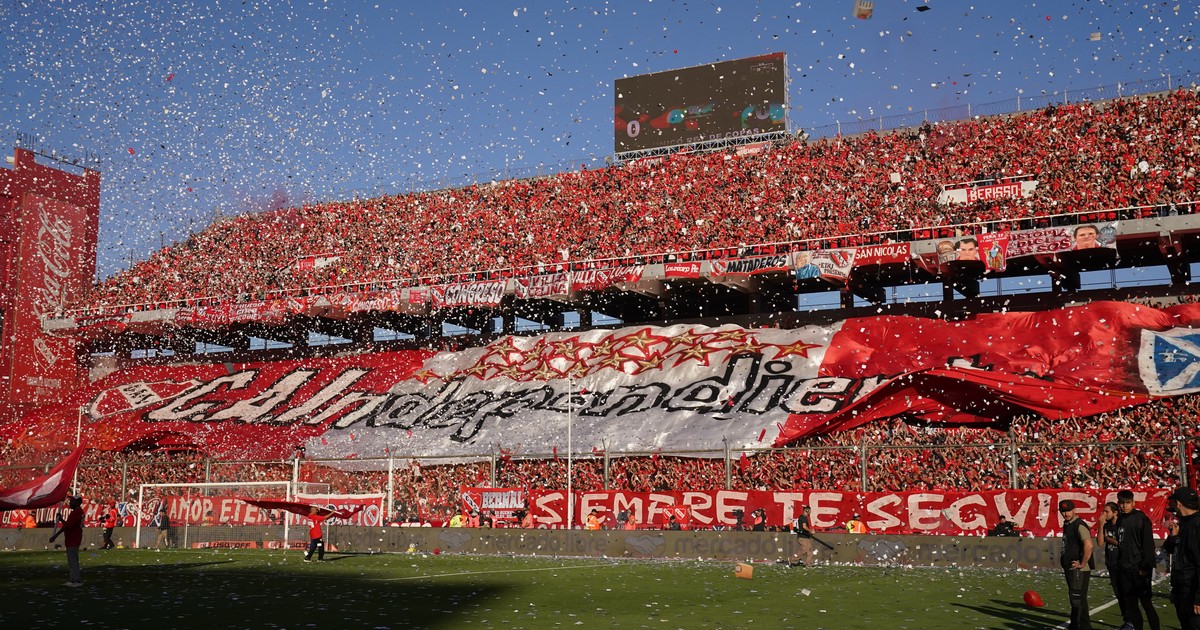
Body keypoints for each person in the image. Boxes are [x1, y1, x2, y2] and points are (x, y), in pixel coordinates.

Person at [1113, 490, 1160, 630]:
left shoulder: (1141, 519)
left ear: (1133, 503)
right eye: (1122, 503)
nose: (1125, 505)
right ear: (1118, 503)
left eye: (1128, 502)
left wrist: (1145, 567)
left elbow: (1149, 546)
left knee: (1146, 604)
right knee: (1131, 605)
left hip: (1139, 569)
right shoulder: (1120, 519)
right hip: (1125, 569)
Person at [1163, 486, 1200, 629]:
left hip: (1192, 590)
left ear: (1178, 503)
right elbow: (1171, 549)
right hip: (1183, 589)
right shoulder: (1184, 523)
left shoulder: (1195, 525)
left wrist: (1198, 597)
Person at [1059, 499, 1095, 630]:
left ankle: (1078, 625)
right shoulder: (1068, 524)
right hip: (1071, 567)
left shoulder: (1079, 525)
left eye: (1068, 510)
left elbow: (1088, 545)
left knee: (1077, 599)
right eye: (1063, 511)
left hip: (1078, 569)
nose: (1066, 513)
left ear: (1074, 510)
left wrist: (1082, 562)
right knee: (1077, 598)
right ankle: (1081, 625)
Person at [48, 496, 84, 587]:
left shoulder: (76, 512)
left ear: (77, 503)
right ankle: (72, 579)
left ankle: (76, 580)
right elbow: (68, 525)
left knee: (73, 561)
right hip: (72, 538)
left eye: (72, 501)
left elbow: (67, 526)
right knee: (71, 560)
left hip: (73, 539)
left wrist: (55, 535)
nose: (70, 503)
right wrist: (61, 520)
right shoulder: (77, 512)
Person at [1102, 502, 1128, 622]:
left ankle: (1131, 620)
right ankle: (1126, 620)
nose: (1104, 514)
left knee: (1126, 593)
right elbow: (1100, 542)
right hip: (1111, 563)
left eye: (1107, 511)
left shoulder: (1122, 525)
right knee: (1118, 593)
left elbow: (1124, 544)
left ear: (1115, 512)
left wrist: (1108, 538)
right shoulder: (1106, 525)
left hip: (1122, 563)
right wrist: (1100, 525)